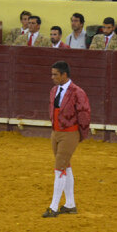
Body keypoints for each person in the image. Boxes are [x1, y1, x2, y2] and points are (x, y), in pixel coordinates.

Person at [42, 61, 90, 218]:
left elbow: (84, 114)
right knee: (65, 167)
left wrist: (80, 134)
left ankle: (54, 207)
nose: (52, 77)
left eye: (55, 74)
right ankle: (70, 205)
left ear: (64, 75)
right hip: (56, 131)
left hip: (70, 132)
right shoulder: (53, 90)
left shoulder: (77, 92)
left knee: (59, 168)